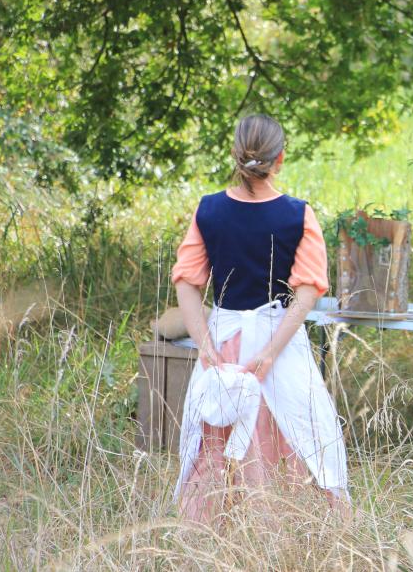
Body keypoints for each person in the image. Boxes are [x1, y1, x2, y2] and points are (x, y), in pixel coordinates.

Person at [171, 114, 350, 523]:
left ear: (235, 155)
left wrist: (207, 346)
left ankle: (216, 533)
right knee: (297, 434)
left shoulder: (209, 210)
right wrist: (270, 352)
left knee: (217, 433)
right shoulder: (298, 214)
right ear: (280, 158)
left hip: (226, 338)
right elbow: (307, 291)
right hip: (279, 338)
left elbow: (187, 282)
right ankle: (286, 532)